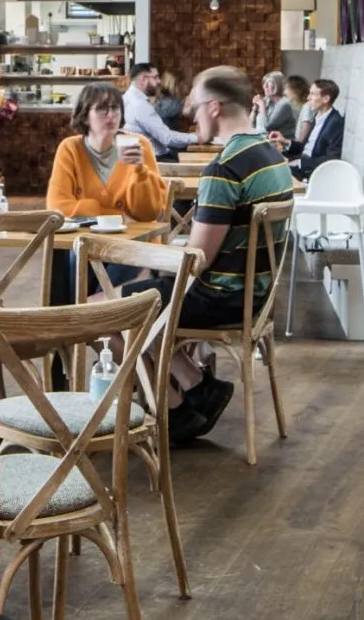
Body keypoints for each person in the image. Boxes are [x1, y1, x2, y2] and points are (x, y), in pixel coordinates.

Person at [128, 66, 293, 445]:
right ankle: (197, 385)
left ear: (214, 107)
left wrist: (142, 256)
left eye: (196, 106)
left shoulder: (225, 168)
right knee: (139, 292)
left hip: (220, 298)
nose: (191, 115)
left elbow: (197, 259)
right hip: (256, 296)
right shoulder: (271, 156)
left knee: (107, 311)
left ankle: (177, 410)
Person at [46, 82, 168, 220]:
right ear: (85, 116)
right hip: (88, 234)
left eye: (115, 108)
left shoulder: (138, 145)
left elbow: (150, 214)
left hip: (135, 234)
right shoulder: (70, 149)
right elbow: (57, 207)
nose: (111, 115)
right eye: (101, 108)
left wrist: (140, 171)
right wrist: (118, 216)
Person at [123, 63, 199, 162]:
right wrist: (197, 137)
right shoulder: (139, 105)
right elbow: (167, 138)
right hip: (155, 159)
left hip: (144, 157)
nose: (159, 81)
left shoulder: (126, 98)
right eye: (155, 77)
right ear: (143, 80)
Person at [272, 78, 344, 176]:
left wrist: (301, 163)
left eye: (312, 94)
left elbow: (332, 158)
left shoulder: (335, 122)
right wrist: (285, 141)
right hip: (301, 161)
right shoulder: (317, 116)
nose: (308, 98)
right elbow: (305, 147)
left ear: (326, 99)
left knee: (274, 173)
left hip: (311, 171)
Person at [251, 72, 297, 138]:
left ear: (278, 85)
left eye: (269, 82)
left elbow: (267, 127)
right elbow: (251, 124)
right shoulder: (266, 100)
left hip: (280, 142)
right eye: (264, 83)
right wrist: (255, 108)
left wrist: (262, 105)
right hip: (262, 140)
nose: (265, 86)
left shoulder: (284, 104)